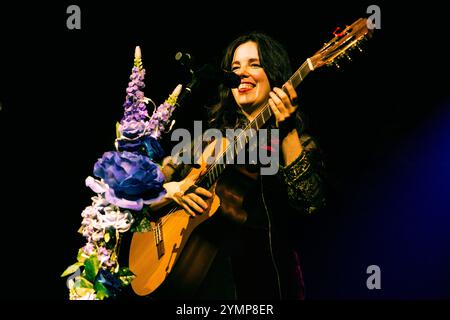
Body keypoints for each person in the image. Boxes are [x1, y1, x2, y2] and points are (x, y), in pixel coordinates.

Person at [139, 31, 326, 300]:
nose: (242, 73)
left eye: (254, 64)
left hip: (265, 287)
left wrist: (286, 133)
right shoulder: (207, 142)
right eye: (235, 67)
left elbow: (311, 203)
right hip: (202, 286)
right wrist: (171, 190)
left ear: (275, 74)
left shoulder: (298, 143)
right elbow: (137, 196)